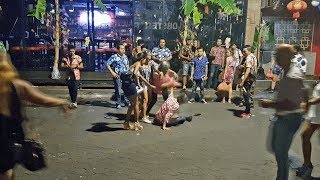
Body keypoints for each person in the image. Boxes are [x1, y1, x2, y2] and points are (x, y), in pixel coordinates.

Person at [0, 52, 70, 180]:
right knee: (6, 169)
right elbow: (41, 99)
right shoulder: (18, 85)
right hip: (9, 136)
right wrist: (61, 102)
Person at [259, 44, 309, 180]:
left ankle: (296, 169)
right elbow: (304, 90)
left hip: (289, 118)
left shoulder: (292, 74)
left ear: (287, 57)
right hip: (283, 115)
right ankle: (298, 166)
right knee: (273, 147)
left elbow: (291, 103)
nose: (276, 57)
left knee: (280, 152)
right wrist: (306, 105)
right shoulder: (288, 70)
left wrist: (270, 104)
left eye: (278, 55)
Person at [296, 81, 320, 179]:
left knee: (305, 135)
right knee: (305, 136)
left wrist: (307, 102)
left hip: (317, 115)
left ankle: (307, 166)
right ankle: (307, 165)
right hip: (315, 113)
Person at [121, 64, 155, 131]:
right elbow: (137, 75)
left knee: (132, 105)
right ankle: (136, 123)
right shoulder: (138, 65)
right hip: (131, 86)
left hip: (125, 85)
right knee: (136, 104)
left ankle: (126, 123)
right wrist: (139, 84)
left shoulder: (132, 66)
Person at [106, 44, 130, 109]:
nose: (123, 50)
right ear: (118, 50)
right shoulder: (114, 57)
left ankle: (126, 102)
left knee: (126, 89)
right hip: (118, 75)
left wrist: (128, 71)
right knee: (118, 90)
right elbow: (107, 64)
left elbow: (127, 64)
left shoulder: (125, 56)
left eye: (124, 49)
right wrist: (112, 73)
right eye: (122, 49)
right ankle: (118, 103)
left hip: (125, 76)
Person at [133, 51, 152, 123]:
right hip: (142, 84)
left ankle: (140, 115)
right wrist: (138, 83)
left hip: (146, 83)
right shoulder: (139, 64)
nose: (149, 57)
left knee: (146, 100)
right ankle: (143, 116)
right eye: (148, 56)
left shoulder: (150, 64)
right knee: (144, 100)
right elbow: (136, 74)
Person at [239, 45, 257, 118]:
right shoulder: (254, 57)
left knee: (246, 95)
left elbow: (248, 70)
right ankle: (247, 111)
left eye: (244, 51)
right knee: (248, 94)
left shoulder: (249, 57)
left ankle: (247, 112)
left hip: (248, 78)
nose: (243, 53)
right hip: (252, 78)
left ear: (249, 51)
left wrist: (243, 81)